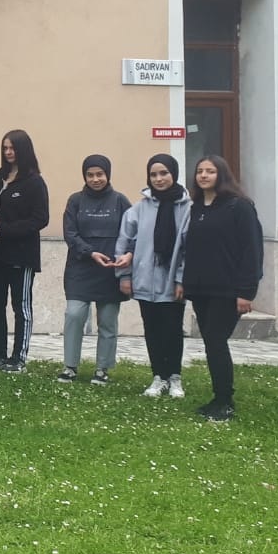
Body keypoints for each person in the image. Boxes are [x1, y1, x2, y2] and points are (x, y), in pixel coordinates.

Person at [182, 155, 263, 421]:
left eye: (210, 171)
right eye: (200, 171)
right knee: (211, 342)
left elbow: (252, 250)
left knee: (216, 341)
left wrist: (246, 291)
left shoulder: (239, 207)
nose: (204, 175)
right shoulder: (196, 208)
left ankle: (225, 402)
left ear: (222, 175)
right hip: (201, 290)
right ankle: (218, 397)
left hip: (227, 290)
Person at [113, 154, 191, 401]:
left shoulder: (188, 208)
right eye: (153, 174)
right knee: (153, 330)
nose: (159, 179)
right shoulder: (138, 209)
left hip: (172, 283)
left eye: (164, 173)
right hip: (144, 281)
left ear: (173, 174)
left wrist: (181, 279)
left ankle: (175, 377)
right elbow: (124, 243)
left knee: (173, 329)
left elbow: (190, 248)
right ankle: (158, 376)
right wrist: (125, 276)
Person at [0, 129, 50, 372]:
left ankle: (18, 357)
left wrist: (5, 230)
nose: (8, 152)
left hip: (21, 254)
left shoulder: (34, 182)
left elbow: (40, 219)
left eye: (12, 148)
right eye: (5, 148)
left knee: (21, 307)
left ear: (23, 150)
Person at [58, 154, 131, 385]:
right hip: (80, 268)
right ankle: (70, 366)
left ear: (108, 174)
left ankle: (102, 369)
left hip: (110, 270)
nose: (95, 179)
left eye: (100, 174)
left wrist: (127, 257)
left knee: (108, 321)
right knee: (74, 315)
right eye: (90, 175)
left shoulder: (120, 201)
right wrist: (90, 252)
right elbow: (70, 234)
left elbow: (131, 234)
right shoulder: (75, 201)